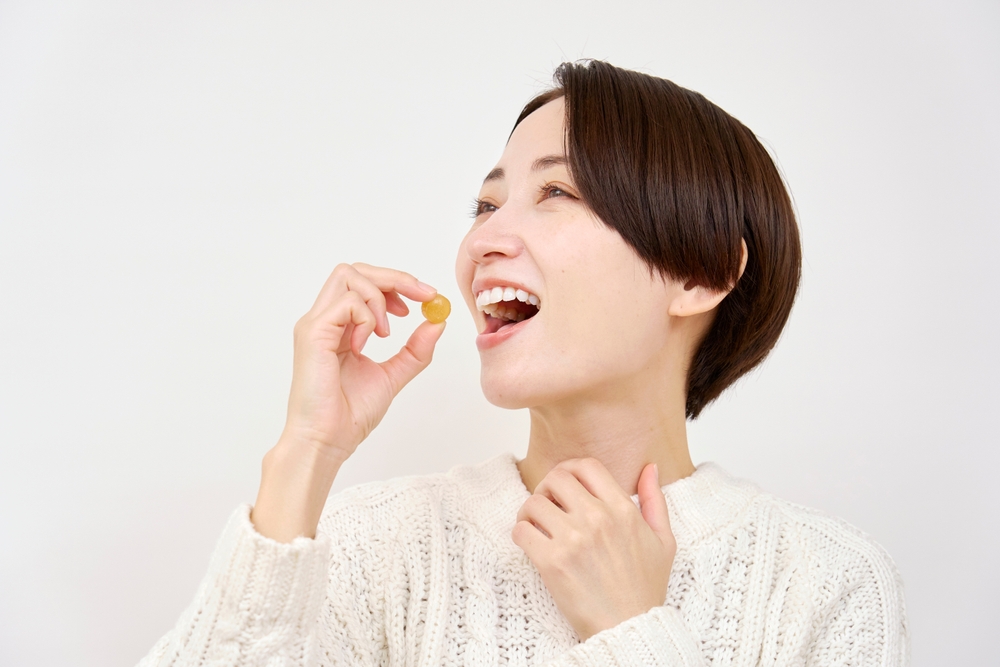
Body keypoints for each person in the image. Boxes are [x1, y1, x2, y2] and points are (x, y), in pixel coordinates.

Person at [138, 60, 908, 666]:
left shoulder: (826, 582)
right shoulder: (378, 543)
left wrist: (632, 630)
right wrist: (304, 453)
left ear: (700, 274)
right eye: (486, 206)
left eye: (558, 192)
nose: (482, 242)